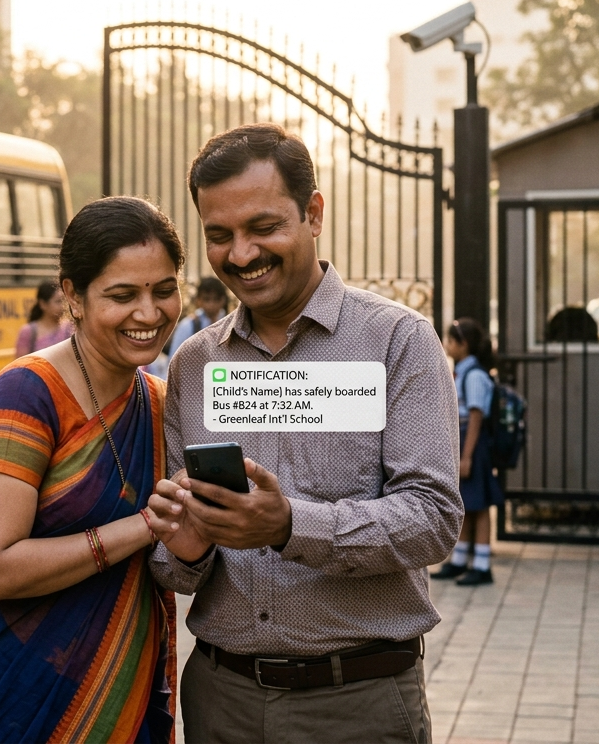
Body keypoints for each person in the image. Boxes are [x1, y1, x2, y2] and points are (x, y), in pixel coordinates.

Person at [146, 123, 461, 743]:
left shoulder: (397, 342)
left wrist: (290, 525)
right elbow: (175, 569)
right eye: (220, 236)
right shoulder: (194, 365)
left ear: (313, 214)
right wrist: (184, 547)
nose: (241, 255)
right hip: (221, 700)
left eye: (263, 228)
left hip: (360, 704)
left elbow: (433, 518)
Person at [0, 197, 185, 743]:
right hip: (5, 692)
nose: (150, 313)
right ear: (72, 297)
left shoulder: (160, 401)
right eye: (122, 295)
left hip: (115, 693)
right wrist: (139, 527)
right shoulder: (25, 395)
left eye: (163, 290)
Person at [431, 317, 501, 586]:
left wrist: (467, 456)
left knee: (479, 505)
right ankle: (460, 560)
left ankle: (482, 565)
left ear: (464, 344)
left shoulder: (474, 376)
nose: (446, 345)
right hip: (462, 442)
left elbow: (475, 416)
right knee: (466, 502)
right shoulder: (462, 371)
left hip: (472, 443)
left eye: (450, 340)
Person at [165, 276, 229, 358]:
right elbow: (174, 359)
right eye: (207, 299)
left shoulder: (230, 324)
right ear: (198, 300)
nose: (211, 305)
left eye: (216, 299)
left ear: (223, 300)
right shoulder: (188, 325)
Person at [14, 280, 73, 357]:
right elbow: (20, 365)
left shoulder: (69, 328)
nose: (63, 306)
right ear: (43, 304)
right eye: (58, 301)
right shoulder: (29, 332)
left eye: (63, 301)